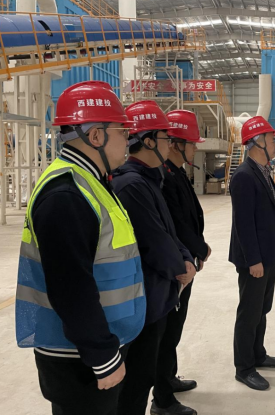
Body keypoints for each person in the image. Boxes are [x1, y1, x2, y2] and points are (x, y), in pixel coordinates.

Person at [15, 81, 145, 415]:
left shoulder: (90, 183)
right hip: (78, 357)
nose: (128, 140)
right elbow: (70, 288)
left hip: (91, 346)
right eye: (122, 131)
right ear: (96, 135)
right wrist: (102, 356)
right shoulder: (66, 195)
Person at [112, 101, 197, 415]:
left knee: (146, 371)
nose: (169, 143)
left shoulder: (149, 179)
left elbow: (168, 229)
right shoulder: (131, 184)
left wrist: (185, 255)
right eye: (165, 137)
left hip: (159, 294)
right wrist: (180, 266)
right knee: (137, 379)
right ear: (148, 141)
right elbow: (153, 240)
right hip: (145, 297)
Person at [229, 116, 275, 391]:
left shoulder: (262, 171)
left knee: (261, 309)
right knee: (249, 312)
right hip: (254, 260)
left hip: (267, 256)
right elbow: (243, 224)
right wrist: (254, 260)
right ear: (257, 142)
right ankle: (244, 368)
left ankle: (258, 354)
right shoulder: (244, 176)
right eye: (271, 139)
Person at [159, 109, 211, 394]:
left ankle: (169, 377)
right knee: (168, 330)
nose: (195, 148)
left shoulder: (176, 172)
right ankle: (163, 395)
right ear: (176, 144)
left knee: (175, 327)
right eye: (191, 143)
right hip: (176, 265)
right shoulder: (165, 177)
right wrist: (199, 248)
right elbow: (176, 223)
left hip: (186, 260)